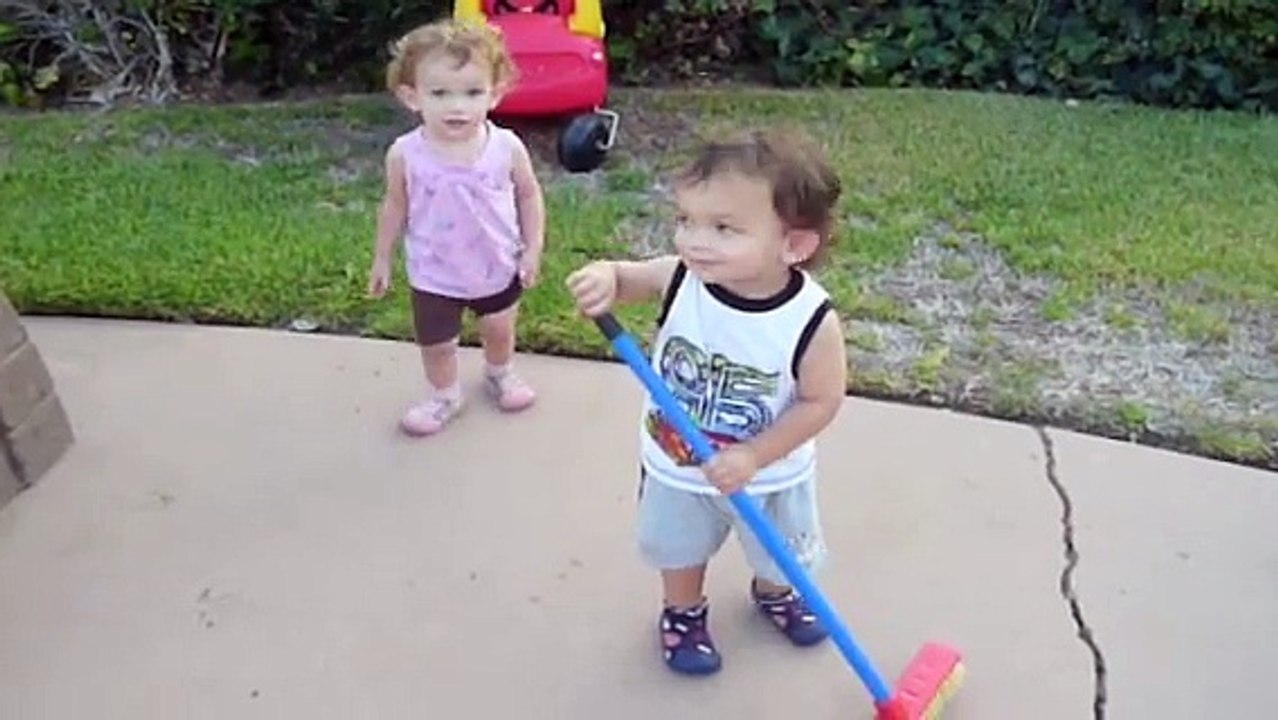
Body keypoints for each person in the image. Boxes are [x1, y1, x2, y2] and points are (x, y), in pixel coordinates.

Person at [566, 129, 849, 676]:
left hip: (770, 475)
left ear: (793, 245)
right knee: (678, 548)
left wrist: (754, 456)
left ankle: (774, 594)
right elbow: (626, 277)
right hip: (678, 464)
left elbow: (820, 402)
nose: (694, 241)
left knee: (781, 554)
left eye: (723, 228)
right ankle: (682, 613)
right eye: (685, 221)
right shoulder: (682, 278)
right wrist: (604, 276)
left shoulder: (810, 321)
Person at [368, 18, 545, 436]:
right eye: (440, 93)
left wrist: (533, 247)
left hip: (496, 263)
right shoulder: (405, 154)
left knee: (499, 328)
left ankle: (500, 372)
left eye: (472, 92)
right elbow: (394, 205)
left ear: (495, 93)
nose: (457, 107)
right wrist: (381, 259)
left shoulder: (505, 147)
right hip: (434, 271)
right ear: (412, 97)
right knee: (437, 344)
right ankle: (444, 394)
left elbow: (529, 195)